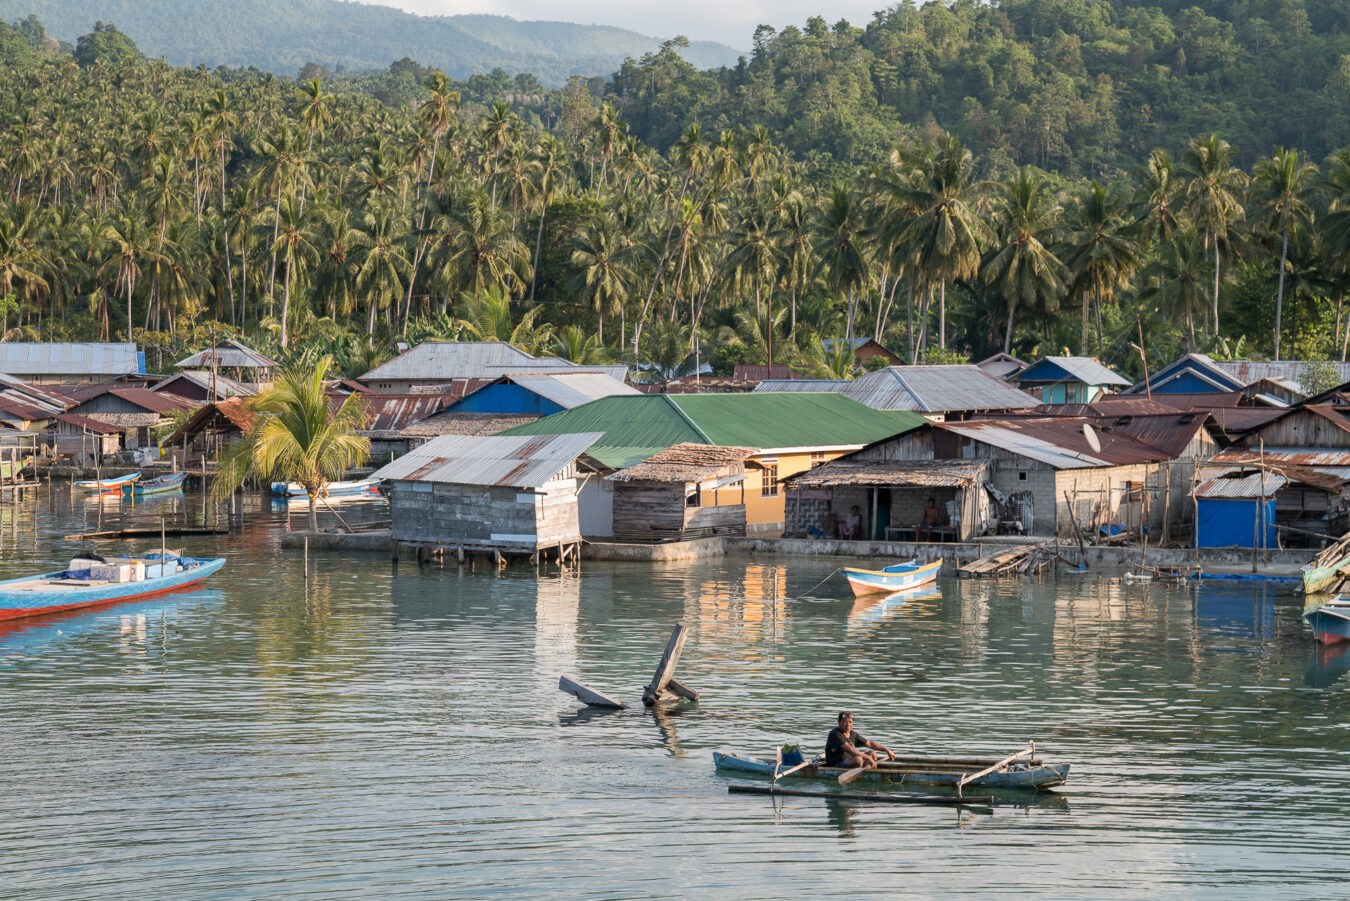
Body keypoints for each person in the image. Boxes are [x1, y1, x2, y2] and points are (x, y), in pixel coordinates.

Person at [824, 711, 896, 769]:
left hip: (850, 761)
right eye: (844, 721)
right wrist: (868, 759)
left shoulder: (853, 734)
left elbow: (870, 743)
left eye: (850, 722)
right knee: (858, 760)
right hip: (836, 764)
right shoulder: (835, 734)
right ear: (839, 722)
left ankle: (865, 769)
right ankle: (864, 767)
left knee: (872, 754)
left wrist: (887, 750)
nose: (848, 724)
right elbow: (850, 749)